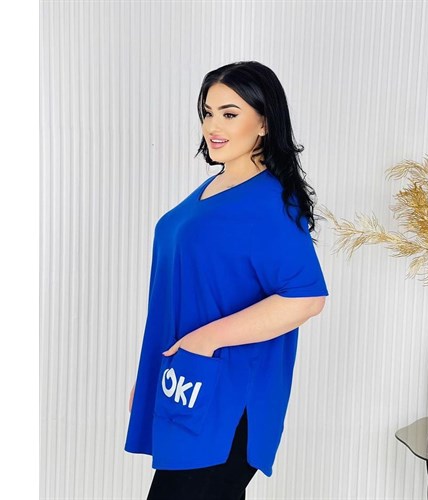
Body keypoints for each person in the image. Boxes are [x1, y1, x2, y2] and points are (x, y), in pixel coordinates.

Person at [124, 61, 330, 500]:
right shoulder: (214, 187)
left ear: (264, 123)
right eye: (208, 112)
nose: (213, 126)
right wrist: (156, 373)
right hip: (190, 383)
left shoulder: (268, 201)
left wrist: (204, 341)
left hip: (230, 396)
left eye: (230, 114)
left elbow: (306, 298)